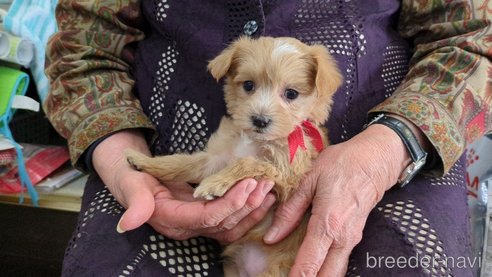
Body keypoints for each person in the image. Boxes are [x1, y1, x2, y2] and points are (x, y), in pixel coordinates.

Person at [44, 0, 491, 276]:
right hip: (158, 162)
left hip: (393, 161)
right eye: (251, 86)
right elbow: (83, 53)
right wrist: (125, 161)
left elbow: (473, 38)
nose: (264, 107)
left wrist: (391, 145)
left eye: (290, 93)